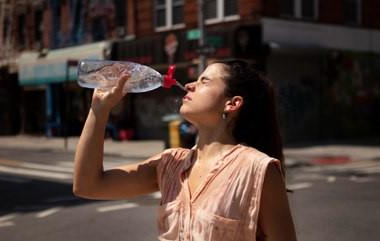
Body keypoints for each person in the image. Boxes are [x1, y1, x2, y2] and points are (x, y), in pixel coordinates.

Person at [73, 60, 297, 241]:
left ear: (232, 103)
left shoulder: (257, 170)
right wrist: (98, 111)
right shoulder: (170, 163)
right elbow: (88, 186)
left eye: (204, 81)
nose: (190, 85)